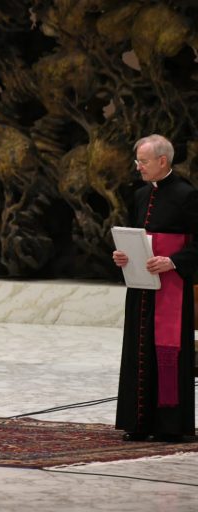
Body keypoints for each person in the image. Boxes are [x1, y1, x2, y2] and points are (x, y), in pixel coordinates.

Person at [112, 134, 198, 442]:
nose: (138, 167)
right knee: (138, 348)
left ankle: (169, 425)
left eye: (143, 161)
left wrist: (173, 261)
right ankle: (138, 422)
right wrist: (122, 255)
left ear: (163, 161)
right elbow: (136, 237)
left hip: (171, 287)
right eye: (137, 161)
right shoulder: (139, 195)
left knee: (167, 351)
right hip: (141, 285)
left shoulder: (188, 194)